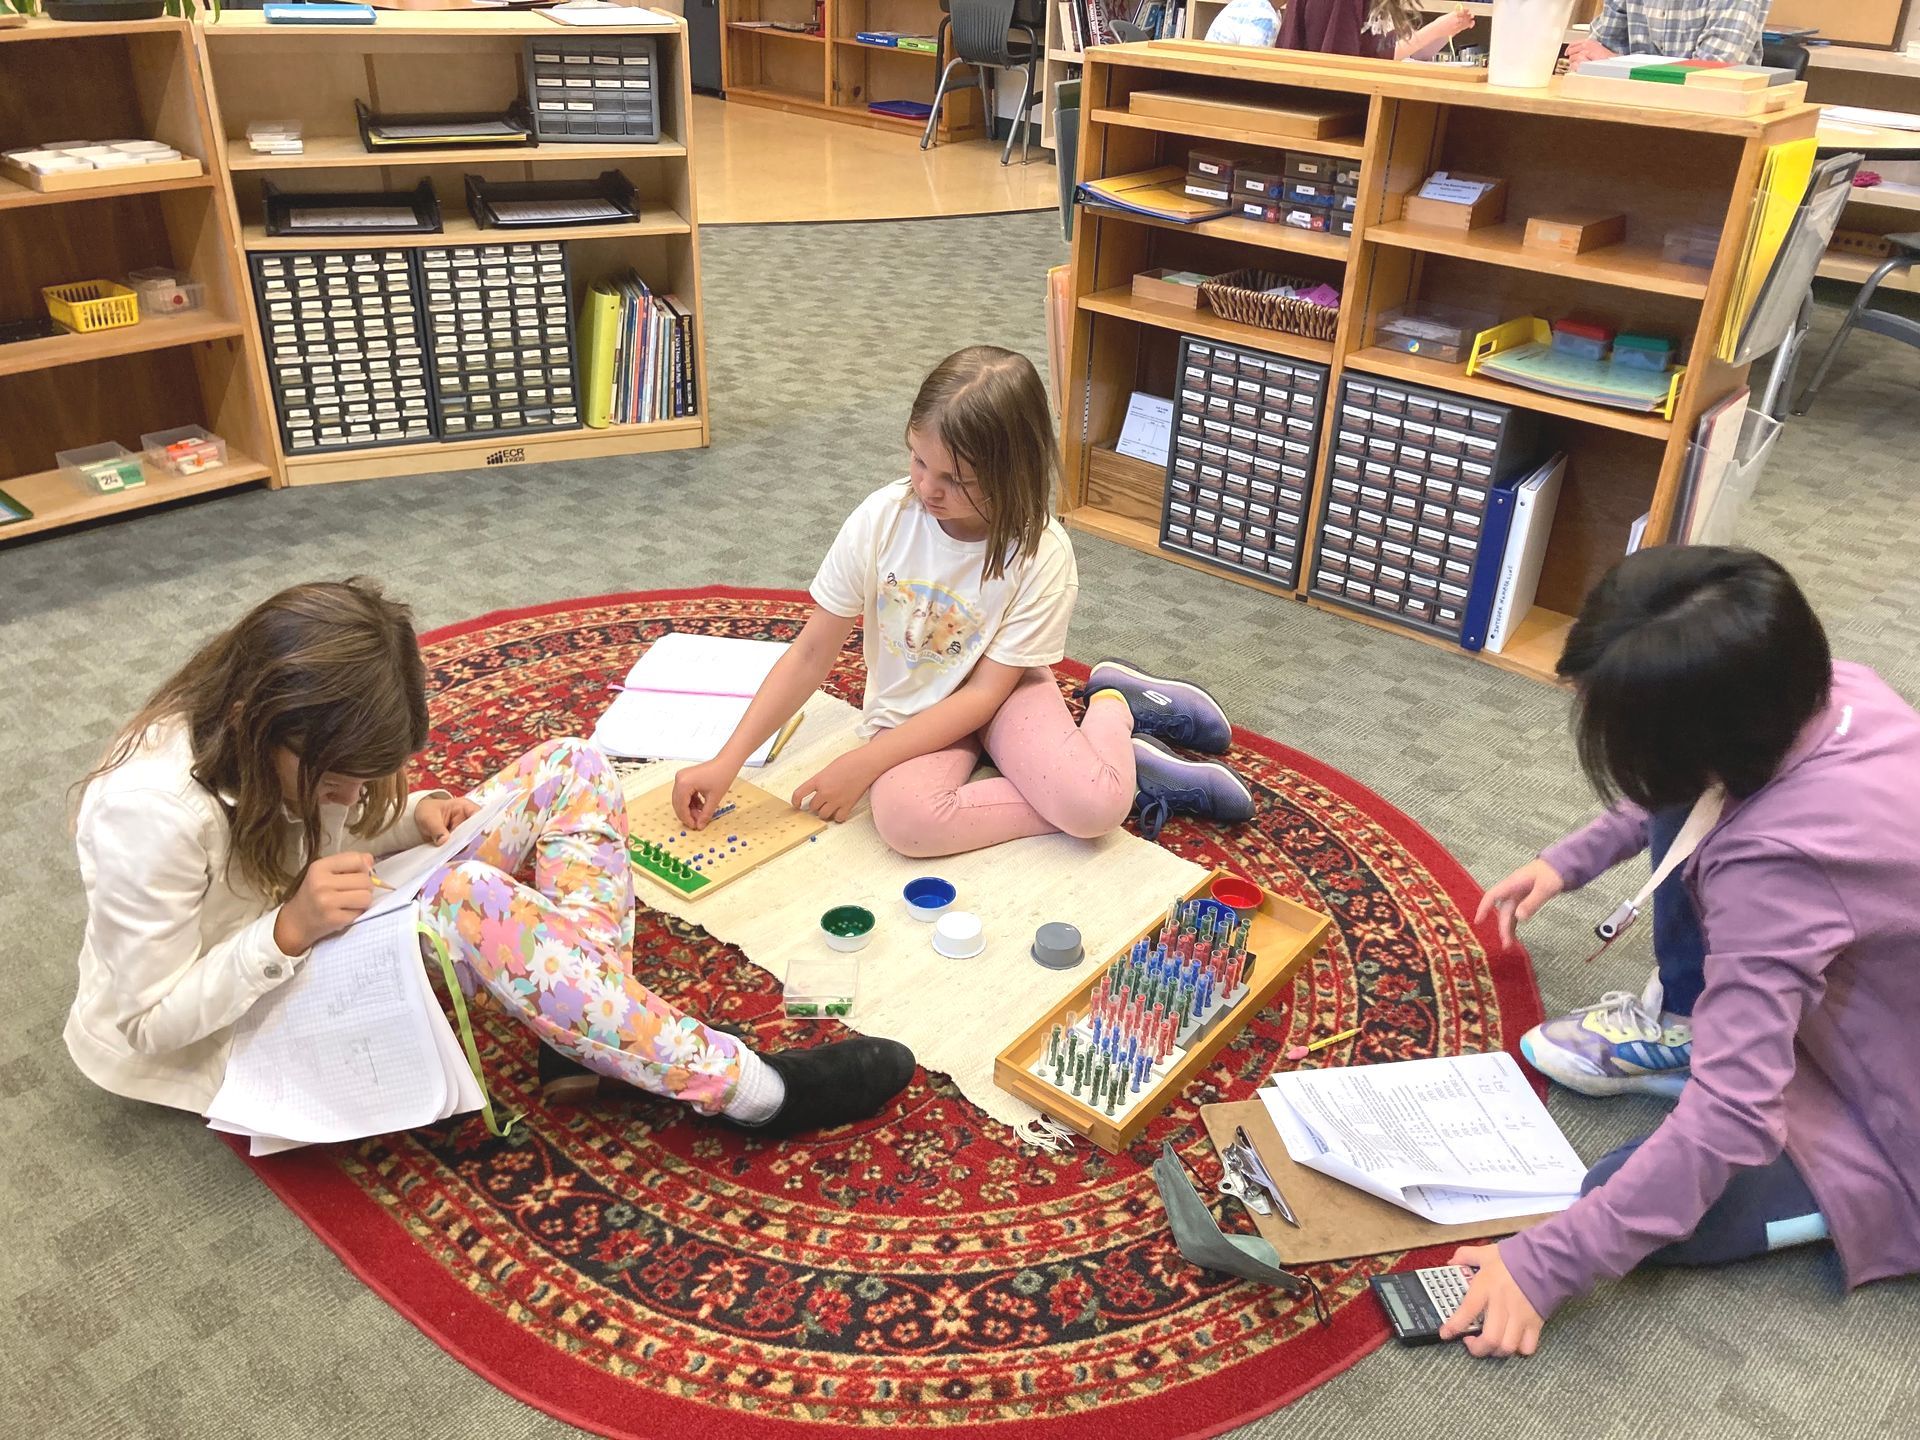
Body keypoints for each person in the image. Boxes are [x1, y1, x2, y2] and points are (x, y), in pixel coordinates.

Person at [66, 579, 913, 1139]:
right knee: (472, 897)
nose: (355, 797)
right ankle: (755, 1092)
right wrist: (281, 935)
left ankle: (587, 1037)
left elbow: (324, 838)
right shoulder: (146, 812)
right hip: (239, 1014)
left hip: (316, 918)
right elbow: (146, 1027)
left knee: (571, 764)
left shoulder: (274, 745)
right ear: (266, 730)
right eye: (343, 780)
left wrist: (405, 823)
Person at [1440, 547, 1920, 1359]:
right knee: (1686, 822)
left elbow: (1733, 1120)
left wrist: (1546, 1266)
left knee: (1614, 1195)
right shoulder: (1825, 689)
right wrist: (1571, 860)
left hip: (1890, 1115)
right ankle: (1708, 1028)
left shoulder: (1779, 868)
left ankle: (1862, 1188)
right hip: (1856, 990)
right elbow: (1679, 788)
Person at [673, 345, 1255, 856]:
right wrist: (728, 763)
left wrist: (867, 761)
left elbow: (983, 695)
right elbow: (808, 654)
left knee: (1095, 811)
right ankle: (1106, 776)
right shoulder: (881, 519)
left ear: (1012, 472)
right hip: (921, 711)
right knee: (905, 820)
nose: (927, 487)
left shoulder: (1042, 551)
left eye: (956, 478)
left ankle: (1112, 709)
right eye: (918, 459)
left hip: (998, 694)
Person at [1567, 0, 1767, 66]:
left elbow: (1711, 71)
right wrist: (1608, 63)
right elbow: (1593, 59)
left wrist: (1616, 63)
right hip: (1629, 113)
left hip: (1713, 128)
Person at [1275, 0, 1476, 61]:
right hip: (1331, 103)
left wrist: (1442, 31)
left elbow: (1395, 50)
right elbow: (1342, 64)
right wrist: (1435, 29)